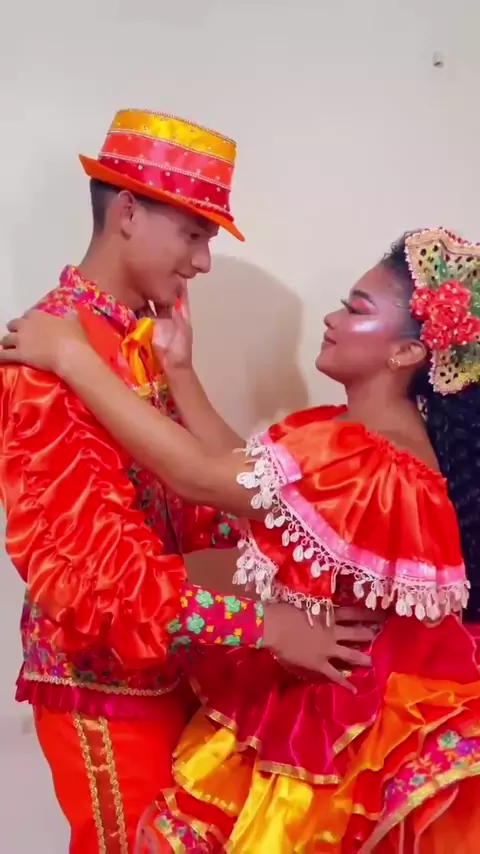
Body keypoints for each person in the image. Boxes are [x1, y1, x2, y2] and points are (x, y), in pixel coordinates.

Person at [5, 226, 479, 851]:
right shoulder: (355, 435)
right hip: (331, 698)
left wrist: (72, 360)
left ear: (406, 353)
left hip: (343, 721)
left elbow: (202, 478)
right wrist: (180, 370)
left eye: (356, 309)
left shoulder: (367, 459)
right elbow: (240, 472)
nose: (332, 318)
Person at [0, 108, 380, 853]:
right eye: (194, 234)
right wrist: (266, 626)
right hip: (105, 689)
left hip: (181, 668)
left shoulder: (142, 334)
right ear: (128, 213)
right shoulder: (44, 355)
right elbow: (98, 582)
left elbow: (200, 502)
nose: (203, 262)